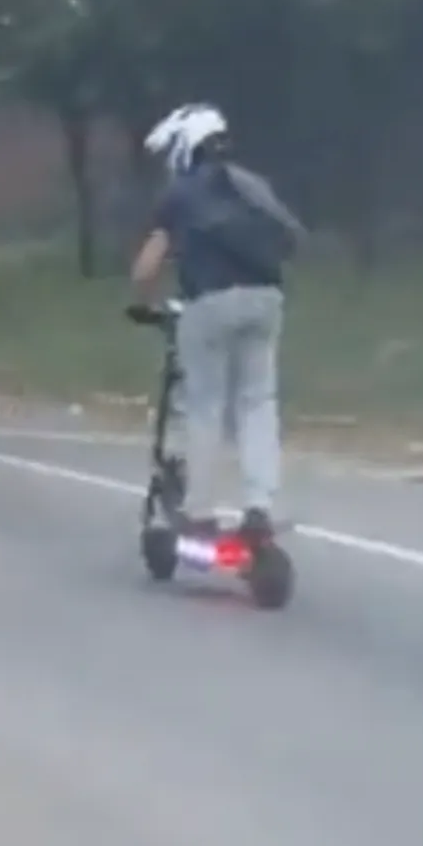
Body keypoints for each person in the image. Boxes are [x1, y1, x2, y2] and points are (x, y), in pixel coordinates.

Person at [131, 103, 305, 543]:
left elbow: (146, 268)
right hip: (267, 299)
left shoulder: (181, 194)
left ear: (184, 146)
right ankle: (259, 507)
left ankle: (200, 509)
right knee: (257, 402)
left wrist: (148, 302)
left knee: (205, 405)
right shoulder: (251, 185)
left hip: (209, 303)